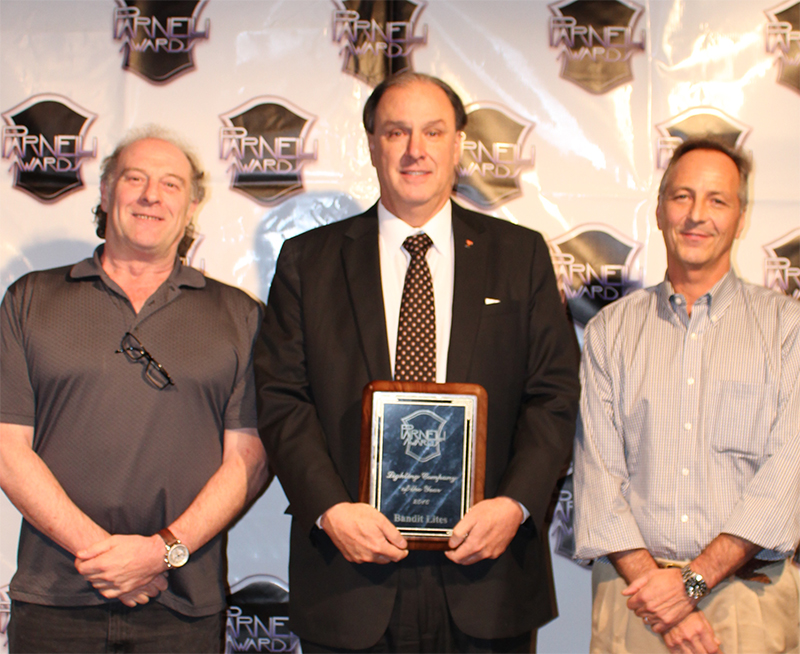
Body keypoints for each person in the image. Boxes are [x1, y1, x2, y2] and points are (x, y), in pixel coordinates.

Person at [255, 72, 580, 653]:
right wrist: (329, 509)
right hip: (348, 575)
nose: (415, 150)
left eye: (433, 131)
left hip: (488, 571)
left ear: (458, 144)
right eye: (396, 132)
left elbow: (553, 396)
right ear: (372, 144)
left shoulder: (520, 254)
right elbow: (282, 397)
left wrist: (515, 504)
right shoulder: (309, 259)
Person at [0, 126, 269, 653]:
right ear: (105, 193)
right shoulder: (31, 299)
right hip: (54, 601)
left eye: (171, 184)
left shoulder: (240, 316)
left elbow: (250, 460)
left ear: (192, 205)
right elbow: (8, 449)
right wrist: (104, 555)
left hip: (181, 604)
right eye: (135, 178)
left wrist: (161, 553)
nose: (151, 195)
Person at [574, 137, 800, 654]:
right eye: (681, 197)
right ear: (658, 211)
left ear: (740, 218)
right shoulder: (610, 331)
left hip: (750, 601)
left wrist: (690, 584)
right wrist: (666, 604)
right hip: (635, 600)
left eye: (717, 200)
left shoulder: (788, 329)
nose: (697, 215)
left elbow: (788, 472)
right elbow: (597, 475)